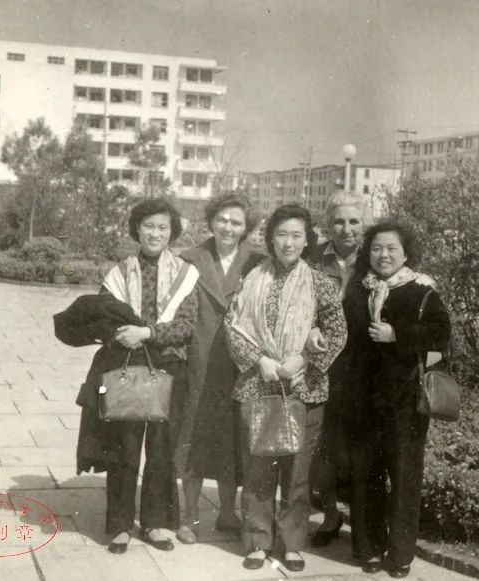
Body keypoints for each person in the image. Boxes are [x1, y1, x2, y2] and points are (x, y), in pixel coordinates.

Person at [53, 198, 199, 555]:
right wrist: (124, 334)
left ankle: (154, 523)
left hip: (169, 366)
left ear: (172, 232)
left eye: (162, 227)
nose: (155, 233)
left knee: (161, 449)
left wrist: (147, 332)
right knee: (124, 446)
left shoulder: (186, 274)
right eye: (148, 226)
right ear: (137, 229)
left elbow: (187, 325)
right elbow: (106, 319)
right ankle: (120, 525)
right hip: (127, 366)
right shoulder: (119, 273)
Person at [224, 204, 347, 573]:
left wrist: (303, 361)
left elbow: (337, 333)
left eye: (296, 235)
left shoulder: (321, 283)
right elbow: (232, 325)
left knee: (297, 473)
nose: (288, 242)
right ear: (271, 239)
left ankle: (292, 544)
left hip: (303, 389)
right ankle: (257, 542)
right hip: (257, 385)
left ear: (307, 240)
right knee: (258, 470)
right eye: (281, 234)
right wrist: (259, 360)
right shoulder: (252, 278)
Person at [342, 220, 451, 578]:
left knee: (404, 477)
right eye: (376, 248)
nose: (383, 255)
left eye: (391, 248)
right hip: (362, 398)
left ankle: (401, 555)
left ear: (406, 254)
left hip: (404, 402)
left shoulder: (421, 290)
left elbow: (441, 334)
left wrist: (397, 334)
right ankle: (368, 548)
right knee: (366, 476)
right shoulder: (358, 289)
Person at [175, 192, 265, 544]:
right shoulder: (190, 258)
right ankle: (191, 517)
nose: (228, 227)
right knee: (193, 438)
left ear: (246, 228)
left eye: (236, 222)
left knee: (232, 440)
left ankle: (228, 513)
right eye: (222, 219)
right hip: (198, 361)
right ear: (211, 220)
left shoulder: (257, 262)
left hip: (239, 364)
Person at [305, 191, 372, 550]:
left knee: (360, 447)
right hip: (321, 362)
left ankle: (364, 523)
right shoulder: (313, 259)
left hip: (363, 365)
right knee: (323, 445)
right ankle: (331, 515)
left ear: (364, 224)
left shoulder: (375, 258)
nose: (347, 229)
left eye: (354, 221)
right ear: (328, 225)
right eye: (339, 221)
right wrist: (309, 328)